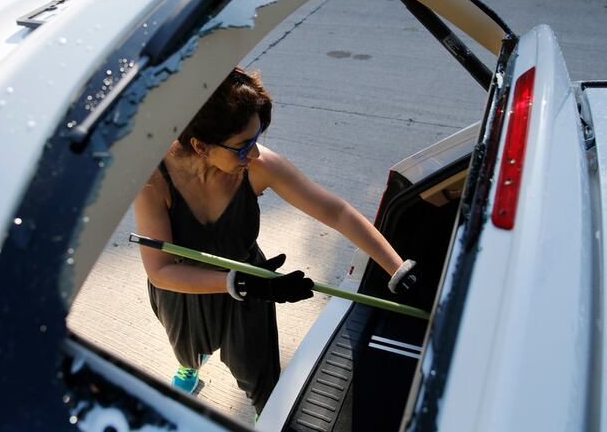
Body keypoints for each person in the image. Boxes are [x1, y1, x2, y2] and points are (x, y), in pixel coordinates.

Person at [133, 67, 416, 415]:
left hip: (250, 285)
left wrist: (396, 267)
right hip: (185, 289)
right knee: (187, 347)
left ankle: (265, 416)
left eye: (257, 139)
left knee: (261, 373)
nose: (253, 154)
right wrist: (237, 281)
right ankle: (190, 364)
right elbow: (160, 270)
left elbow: (337, 212)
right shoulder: (153, 180)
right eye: (242, 146)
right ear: (199, 145)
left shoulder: (258, 165)